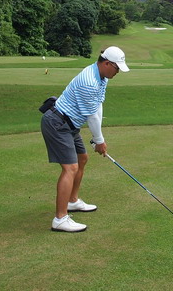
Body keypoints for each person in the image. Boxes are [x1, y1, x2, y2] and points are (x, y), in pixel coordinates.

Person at [40, 46, 130, 232]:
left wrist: (99, 139)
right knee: (70, 168)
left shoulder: (102, 76)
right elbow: (92, 117)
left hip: (70, 124)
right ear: (106, 63)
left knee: (82, 158)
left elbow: (98, 106)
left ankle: (72, 201)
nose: (118, 71)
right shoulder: (89, 81)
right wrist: (99, 141)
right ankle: (60, 219)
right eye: (117, 67)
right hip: (57, 123)